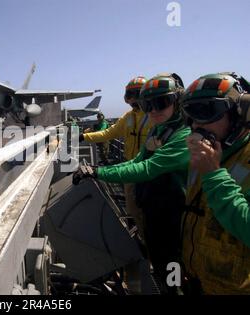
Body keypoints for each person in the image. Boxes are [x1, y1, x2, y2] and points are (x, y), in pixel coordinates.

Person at [74, 73, 191, 294]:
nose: (153, 110)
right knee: (157, 254)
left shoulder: (183, 135)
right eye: (148, 104)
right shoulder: (159, 129)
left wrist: (98, 172)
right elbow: (138, 161)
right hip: (153, 205)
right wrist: (97, 170)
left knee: (172, 263)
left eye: (161, 103)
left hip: (173, 214)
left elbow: (148, 168)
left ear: (178, 101)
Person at [180, 72, 250, 295]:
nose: (196, 125)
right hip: (196, 279)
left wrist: (213, 174)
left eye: (207, 112)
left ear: (239, 113)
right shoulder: (205, 153)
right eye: (190, 115)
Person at [79, 76, 152, 235]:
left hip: (151, 171)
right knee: (132, 208)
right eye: (130, 95)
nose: (133, 99)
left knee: (149, 211)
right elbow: (108, 133)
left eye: (136, 94)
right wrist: (84, 137)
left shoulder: (154, 117)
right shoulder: (128, 117)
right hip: (129, 168)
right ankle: (139, 239)